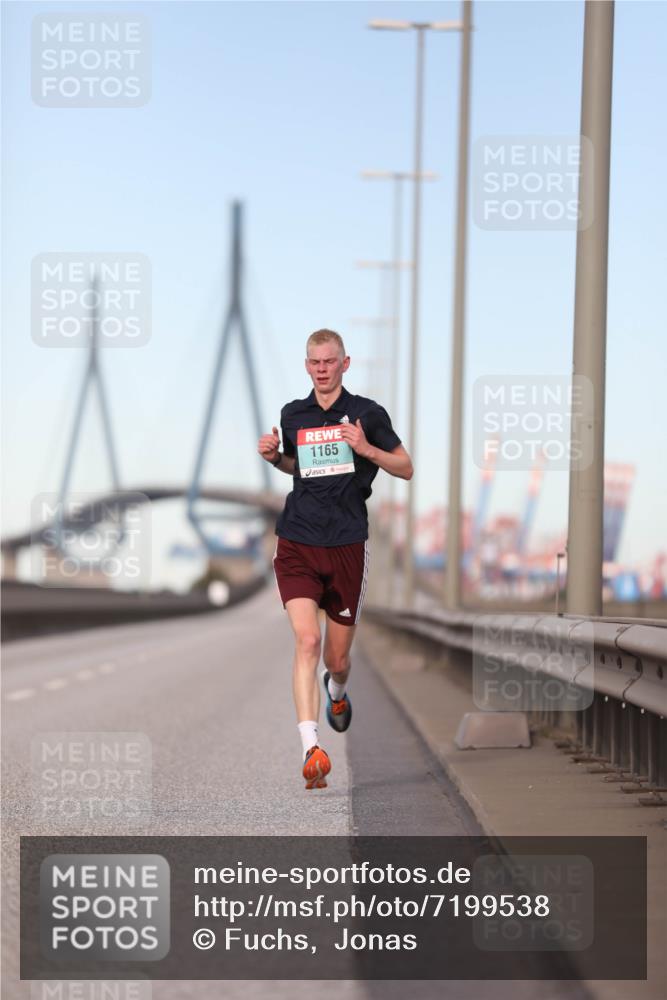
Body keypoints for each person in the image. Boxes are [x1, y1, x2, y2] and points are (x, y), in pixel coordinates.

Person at [257, 329, 413, 789]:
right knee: (307, 640)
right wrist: (275, 458)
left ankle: (337, 691)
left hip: (347, 543)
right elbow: (298, 467)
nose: (322, 369)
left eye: (330, 361)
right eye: (315, 362)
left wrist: (365, 448)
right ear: (307, 366)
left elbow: (405, 467)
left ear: (345, 364)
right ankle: (311, 748)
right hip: (298, 540)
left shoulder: (368, 413)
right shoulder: (293, 414)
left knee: (336, 659)